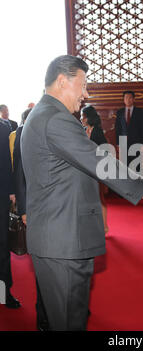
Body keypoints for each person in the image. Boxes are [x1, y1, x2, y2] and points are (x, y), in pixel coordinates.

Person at [21, 55, 143, 331]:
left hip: (62, 236)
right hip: (62, 240)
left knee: (71, 319)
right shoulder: (54, 118)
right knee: (69, 322)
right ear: (62, 82)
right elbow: (97, 160)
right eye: (83, 85)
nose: (86, 94)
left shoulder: (45, 115)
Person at [10, 108, 49, 330]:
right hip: (36, 210)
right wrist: (23, 209)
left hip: (62, 209)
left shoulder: (60, 127)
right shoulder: (23, 131)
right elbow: (19, 172)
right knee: (42, 264)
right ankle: (43, 318)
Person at [0, 119, 20, 309]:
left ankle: (4, 293)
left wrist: (12, 191)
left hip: (1, 194)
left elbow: (7, 163)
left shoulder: (4, 126)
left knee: (2, 245)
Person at [81, 104, 109, 234]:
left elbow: (105, 151)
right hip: (84, 170)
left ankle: (104, 227)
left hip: (97, 170)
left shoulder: (97, 131)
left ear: (88, 118)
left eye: (83, 116)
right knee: (87, 199)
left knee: (99, 198)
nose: (81, 119)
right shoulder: (82, 130)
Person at [115, 90, 143, 173]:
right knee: (124, 166)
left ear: (134, 99)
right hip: (123, 143)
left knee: (136, 166)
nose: (128, 100)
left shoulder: (139, 112)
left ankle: (137, 183)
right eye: (126, 98)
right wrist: (118, 143)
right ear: (123, 99)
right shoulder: (120, 112)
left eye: (130, 98)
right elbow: (118, 129)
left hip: (136, 143)